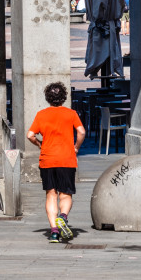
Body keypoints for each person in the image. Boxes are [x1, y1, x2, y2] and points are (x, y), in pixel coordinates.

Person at [26, 81, 86, 243]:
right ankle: (63, 217)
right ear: (64, 97)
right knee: (65, 194)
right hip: (67, 158)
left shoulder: (41, 114)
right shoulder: (71, 113)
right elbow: (81, 131)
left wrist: (40, 144)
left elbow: (30, 135)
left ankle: (53, 232)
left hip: (48, 158)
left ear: (48, 98)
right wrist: (76, 147)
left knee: (51, 194)